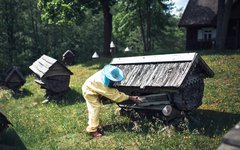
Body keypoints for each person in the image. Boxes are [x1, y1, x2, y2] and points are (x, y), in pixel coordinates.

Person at [82, 64, 142, 138]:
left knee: (95, 108)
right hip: (89, 90)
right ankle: (92, 130)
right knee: (95, 108)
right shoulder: (101, 83)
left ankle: (94, 123)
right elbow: (116, 96)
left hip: (94, 86)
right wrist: (129, 97)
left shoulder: (107, 72)